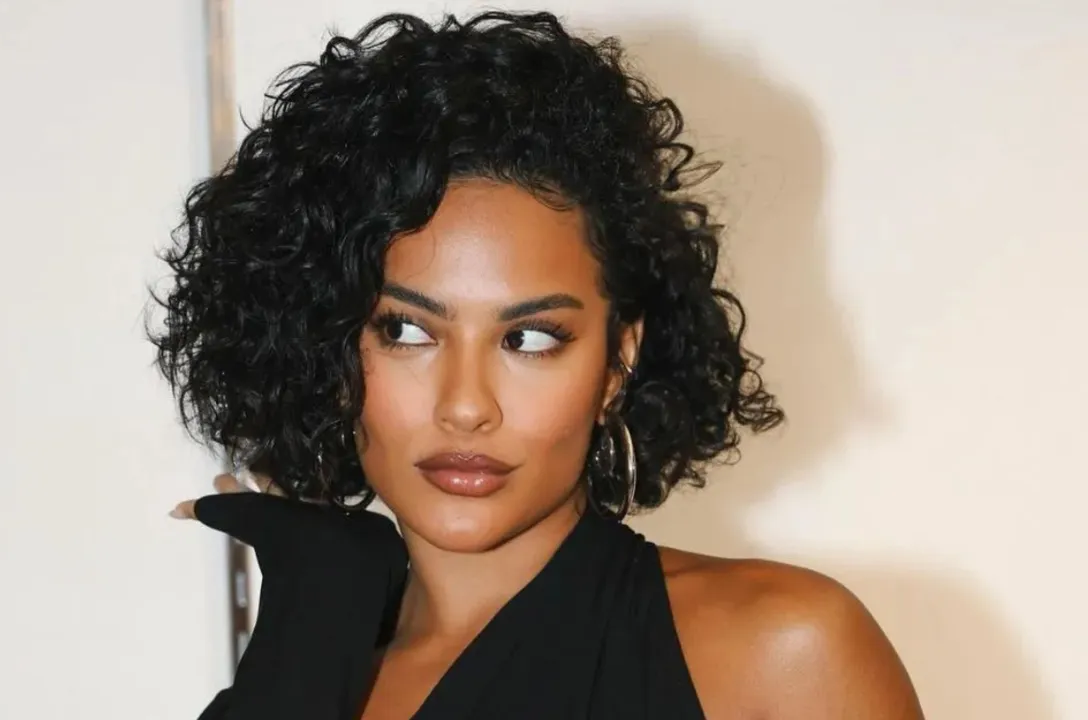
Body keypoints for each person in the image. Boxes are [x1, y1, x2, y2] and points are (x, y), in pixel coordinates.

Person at [151, 10, 924, 719]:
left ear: (617, 363)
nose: (466, 405)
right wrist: (315, 613)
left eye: (529, 339)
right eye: (407, 332)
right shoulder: (311, 661)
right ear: (328, 343)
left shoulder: (780, 652)